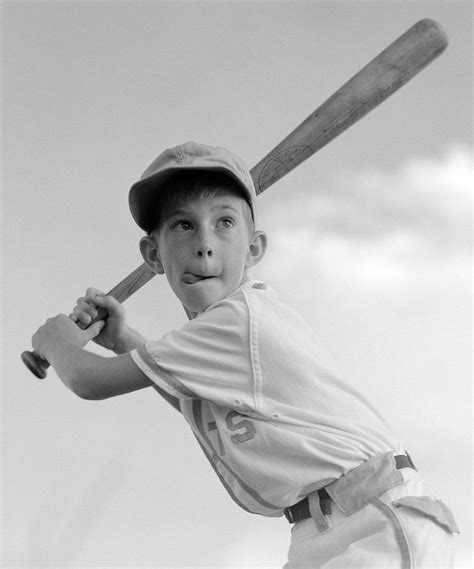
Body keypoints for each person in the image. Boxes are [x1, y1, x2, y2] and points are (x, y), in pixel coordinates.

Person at [32, 141, 459, 567]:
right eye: (183, 225)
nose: (204, 243)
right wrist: (124, 340)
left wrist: (56, 342)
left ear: (254, 249)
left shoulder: (237, 320)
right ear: (152, 254)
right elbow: (196, 401)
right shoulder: (219, 338)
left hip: (374, 519)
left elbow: (89, 381)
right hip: (323, 530)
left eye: (224, 223)